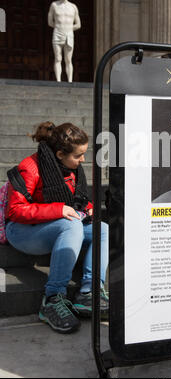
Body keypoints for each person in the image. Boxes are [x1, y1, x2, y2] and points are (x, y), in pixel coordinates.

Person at [5, 122, 108, 334]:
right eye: (78, 155)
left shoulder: (69, 168)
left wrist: (88, 210)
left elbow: (75, 200)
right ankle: (52, 299)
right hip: (22, 231)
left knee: (102, 228)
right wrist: (58, 210)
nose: (83, 160)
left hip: (53, 225)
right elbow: (15, 211)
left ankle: (89, 292)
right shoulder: (30, 167)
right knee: (70, 225)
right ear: (60, 154)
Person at [48, 0, 81, 83]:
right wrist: (60, 28)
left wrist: (69, 28)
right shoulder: (54, 5)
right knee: (58, 58)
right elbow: (50, 22)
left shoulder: (73, 7)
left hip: (69, 35)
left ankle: (69, 81)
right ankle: (58, 80)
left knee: (68, 59)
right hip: (58, 33)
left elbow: (78, 24)